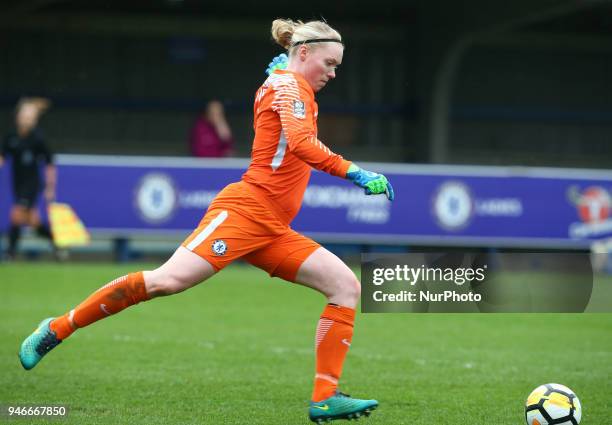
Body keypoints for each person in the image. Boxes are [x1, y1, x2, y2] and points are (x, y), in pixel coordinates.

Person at [18, 19, 394, 423]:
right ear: (304, 53)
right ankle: (57, 328)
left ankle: (325, 397)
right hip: (247, 211)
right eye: (330, 63)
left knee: (345, 286)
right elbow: (301, 143)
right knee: (166, 281)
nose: (333, 73)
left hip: (272, 227)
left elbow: (286, 117)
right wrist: (355, 172)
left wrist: (280, 79)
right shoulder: (289, 86)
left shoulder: (286, 83)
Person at [1, 97, 57, 260]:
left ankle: (10, 253)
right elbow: (3, 157)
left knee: (16, 214)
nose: (27, 120)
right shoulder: (11, 137)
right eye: (24, 116)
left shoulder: (37, 139)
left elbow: (49, 163)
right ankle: (58, 244)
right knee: (33, 221)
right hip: (17, 184)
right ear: (17, 116)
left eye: (30, 117)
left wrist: (50, 187)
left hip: (32, 184)